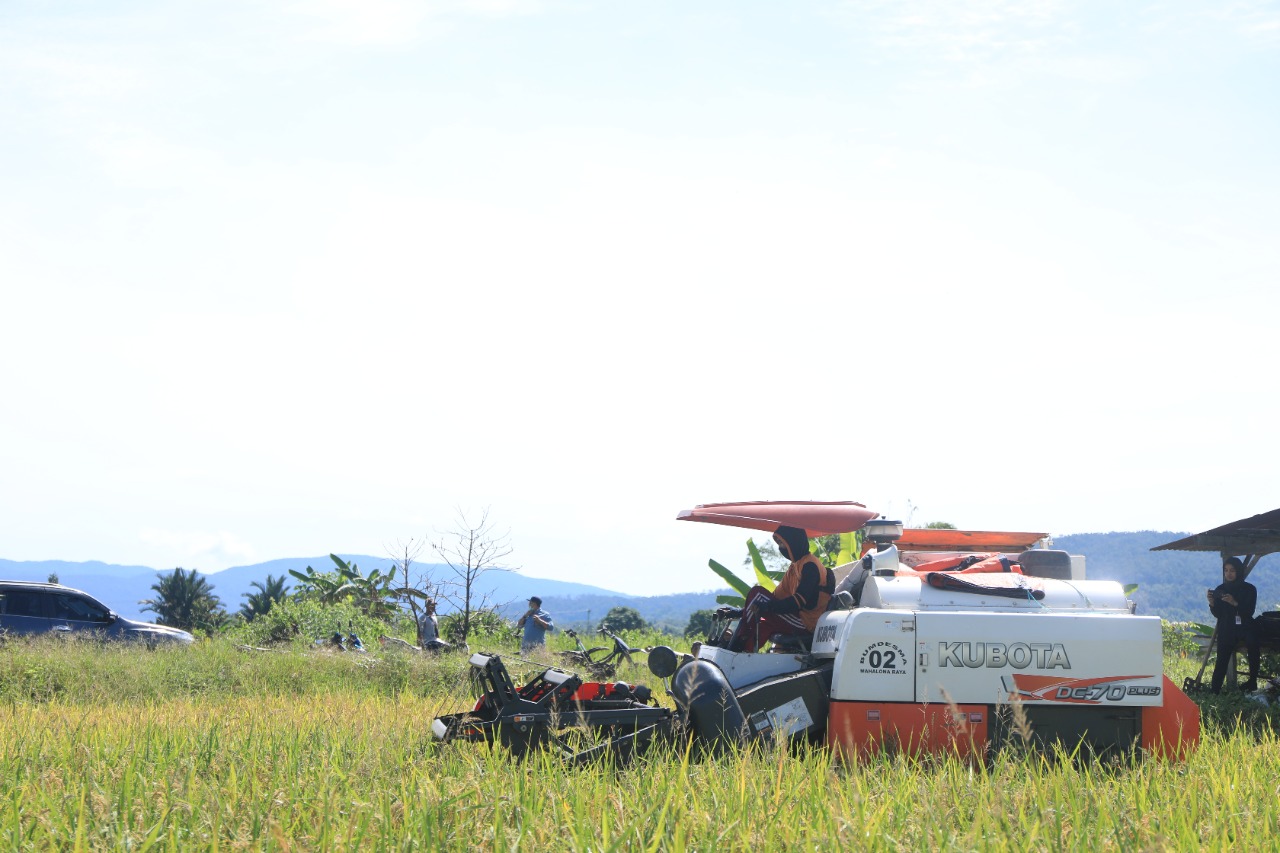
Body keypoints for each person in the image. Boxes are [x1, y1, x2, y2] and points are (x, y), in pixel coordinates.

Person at [723, 525, 835, 653]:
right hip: (796, 617)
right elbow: (775, 597)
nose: (781, 548)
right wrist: (739, 612)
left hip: (807, 622)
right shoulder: (795, 567)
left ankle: (735, 647)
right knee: (764, 624)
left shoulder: (810, 566)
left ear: (793, 542)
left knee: (757, 593)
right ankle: (742, 653)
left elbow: (798, 601)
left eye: (783, 543)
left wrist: (767, 607)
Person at [1207, 556, 1260, 693]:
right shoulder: (1221, 589)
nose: (1229, 574)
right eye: (1226, 570)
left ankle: (1252, 681)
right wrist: (1212, 603)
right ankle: (1215, 689)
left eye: (1232, 570)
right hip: (1227, 626)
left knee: (1253, 644)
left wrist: (1234, 602)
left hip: (1245, 625)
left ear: (1238, 572)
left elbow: (1249, 611)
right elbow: (1219, 614)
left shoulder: (1249, 589)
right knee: (1222, 657)